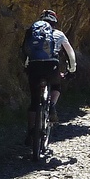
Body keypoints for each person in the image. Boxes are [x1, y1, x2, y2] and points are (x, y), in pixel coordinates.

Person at [22, 9, 77, 145]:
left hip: (34, 67)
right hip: (52, 67)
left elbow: (25, 51)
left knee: (34, 101)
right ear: (54, 22)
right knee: (57, 85)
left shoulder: (32, 32)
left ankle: (30, 133)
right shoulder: (59, 34)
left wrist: (26, 67)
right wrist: (71, 70)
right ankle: (51, 105)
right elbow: (70, 54)